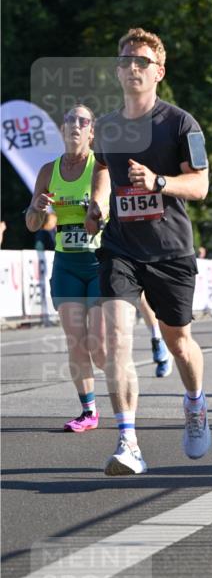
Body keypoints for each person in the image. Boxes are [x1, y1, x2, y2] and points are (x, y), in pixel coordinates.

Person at [85, 27, 210, 476]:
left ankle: (195, 404)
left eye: (140, 61)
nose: (131, 68)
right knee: (117, 338)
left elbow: (200, 185)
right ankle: (128, 441)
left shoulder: (181, 123)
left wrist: (158, 182)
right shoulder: (107, 125)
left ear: (159, 71)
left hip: (171, 250)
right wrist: (98, 207)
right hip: (121, 248)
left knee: (179, 342)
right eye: (124, 61)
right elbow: (102, 170)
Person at [26, 105, 107, 431]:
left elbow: (98, 218)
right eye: (70, 120)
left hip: (99, 263)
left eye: (83, 121)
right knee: (75, 342)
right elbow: (33, 224)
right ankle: (89, 412)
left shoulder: (100, 167)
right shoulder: (48, 171)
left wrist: (93, 212)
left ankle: (120, 383)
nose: (75, 125)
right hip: (67, 265)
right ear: (62, 129)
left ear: (91, 132)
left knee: (98, 347)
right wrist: (37, 207)